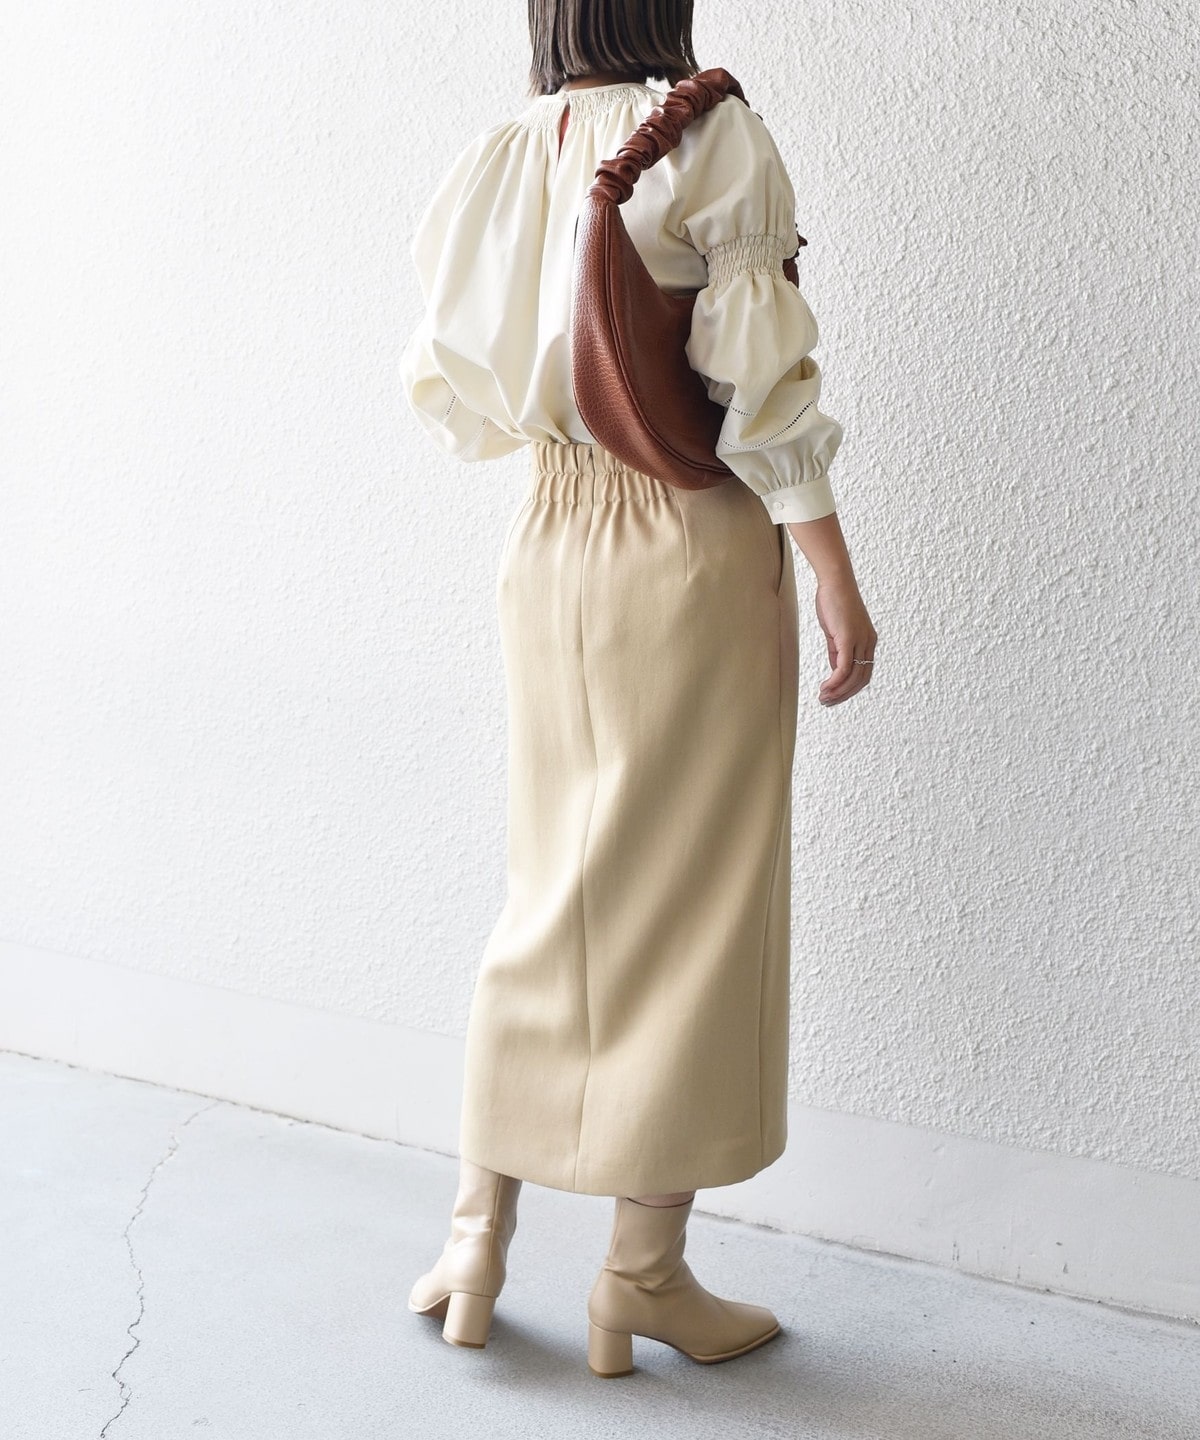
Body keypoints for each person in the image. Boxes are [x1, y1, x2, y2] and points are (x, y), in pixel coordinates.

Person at [399, 0, 877, 1378]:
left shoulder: (502, 152)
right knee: (695, 910)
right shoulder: (711, 139)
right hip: (689, 544)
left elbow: (451, 386)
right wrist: (833, 574)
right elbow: (762, 390)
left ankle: (475, 1246)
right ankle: (643, 1276)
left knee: (549, 886)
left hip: (549, 541)